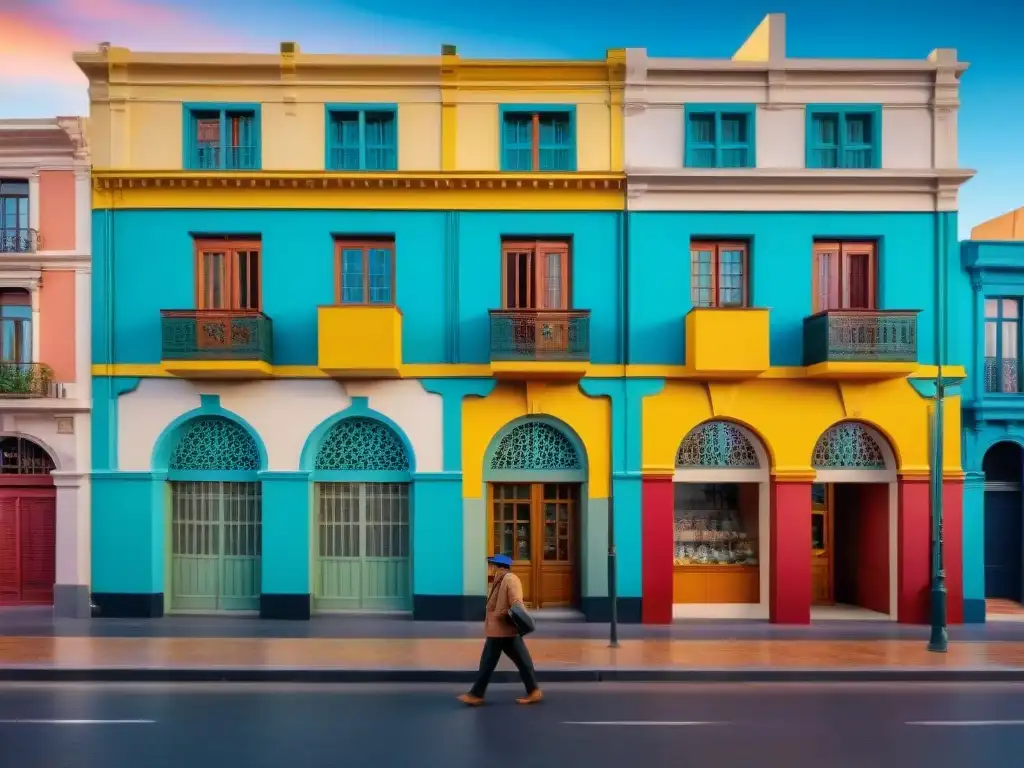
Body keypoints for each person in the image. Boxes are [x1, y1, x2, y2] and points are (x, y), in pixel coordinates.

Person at [457, 554, 543, 706]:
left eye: (491, 564)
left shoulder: (510, 579)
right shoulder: (499, 580)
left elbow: (516, 602)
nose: (489, 568)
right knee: (519, 661)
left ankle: (476, 695)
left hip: (503, 630)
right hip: (499, 630)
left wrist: (512, 616)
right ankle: (533, 690)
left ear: (499, 566)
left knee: (490, 662)